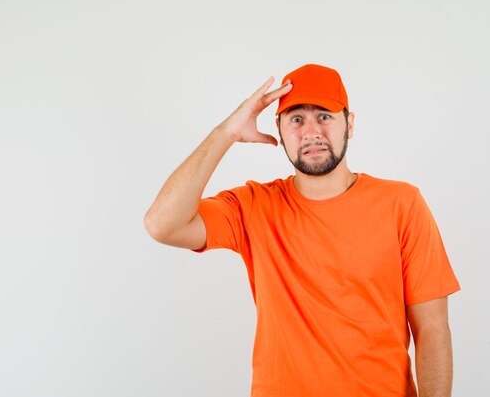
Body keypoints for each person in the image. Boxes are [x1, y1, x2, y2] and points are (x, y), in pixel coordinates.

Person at [144, 63, 461, 397]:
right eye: (296, 119)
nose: (311, 132)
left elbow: (432, 329)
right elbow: (162, 224)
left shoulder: (402, 203)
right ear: (280, 133)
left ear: (349, 124)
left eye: (324, 116)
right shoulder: (253, 206)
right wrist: (226, 134)